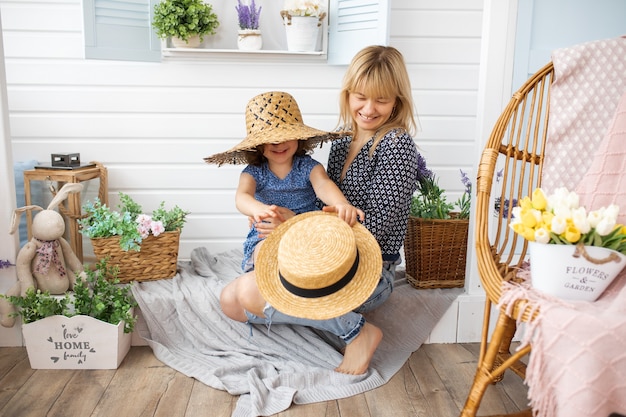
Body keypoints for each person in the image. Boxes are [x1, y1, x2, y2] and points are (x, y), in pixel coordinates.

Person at [219, 45, 422, 375]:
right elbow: (324, 206)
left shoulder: (396, 145)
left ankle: (358, 332)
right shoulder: (344, 141)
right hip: (323, 257)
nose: (369, 108)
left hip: (365, 267)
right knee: (231, 301)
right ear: (348, 94)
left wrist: (294, 226)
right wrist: (291, 229)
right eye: (361, 96)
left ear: (397, 100)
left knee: (248, 291)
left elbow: (372, 231)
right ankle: (318, 316)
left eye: (381, 100)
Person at [204, 90, 364, 272]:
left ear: (298, 136)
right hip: (267, 231)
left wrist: (341, 203)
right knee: (266, 254)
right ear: (257, 145)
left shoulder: (308, 167)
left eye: (284, 137)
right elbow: (242, 196)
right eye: (269, 139)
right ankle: (268, 283)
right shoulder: (254, 173)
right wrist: (259, 209)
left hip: (304, 230)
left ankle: (299, 285)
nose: (278, 144)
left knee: (309, 259)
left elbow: (323, 185)